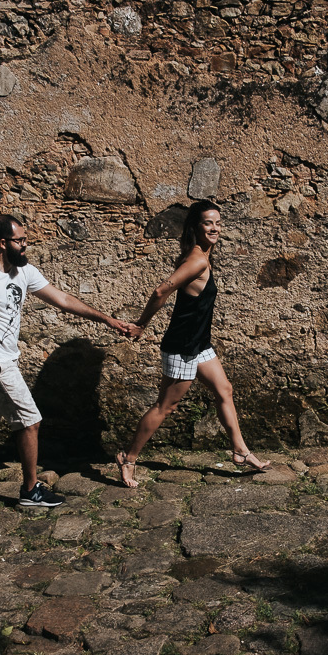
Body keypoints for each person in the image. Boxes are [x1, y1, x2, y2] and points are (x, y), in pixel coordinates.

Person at [0, 213, 137, 507]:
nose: (25, 246)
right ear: (3, 243)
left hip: (3, 359)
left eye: (26, 240)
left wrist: (106, 319)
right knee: (30, 422)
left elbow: (64, 300)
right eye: (21, 241)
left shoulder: (24, 272)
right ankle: (31, 490)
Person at [115, 200, 269, 488]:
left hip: (199, 343)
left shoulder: (198, 255)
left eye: (218, 223)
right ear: (195, 227)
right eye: (208, 223)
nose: (215, 228)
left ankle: (240, 451)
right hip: (183, 345)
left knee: (224, 390)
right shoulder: (196, 260)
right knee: (165, 407)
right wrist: (141, 324)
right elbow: (161, 290)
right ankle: (129, 457)